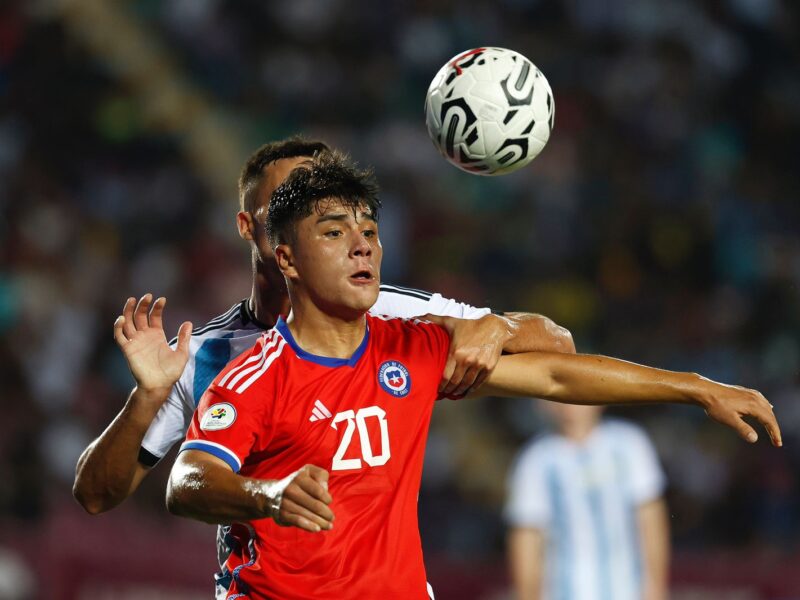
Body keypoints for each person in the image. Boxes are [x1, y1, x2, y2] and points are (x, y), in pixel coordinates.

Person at [156, 150, 779, 599]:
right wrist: (269, 494)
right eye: (334, 231)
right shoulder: (252, 375)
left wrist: (695, 388)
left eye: (369, 231)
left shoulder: (411, 349)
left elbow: (558, 376)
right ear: (284, 256)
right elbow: (187, 481)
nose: (362, 245)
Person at [72, 138, 575, 593]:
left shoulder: (389, 311)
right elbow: (96, 496)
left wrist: (502, 328)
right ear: (250, 226)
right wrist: (147, 399)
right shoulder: (201, 356)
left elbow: (557, 345)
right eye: (288, 200)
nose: (307, 206)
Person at [506, 403, 669, 600]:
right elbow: (527, 538)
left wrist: (657, 588)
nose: (570, 404)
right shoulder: (534, 460)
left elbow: (651, 521)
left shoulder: (630, 444)